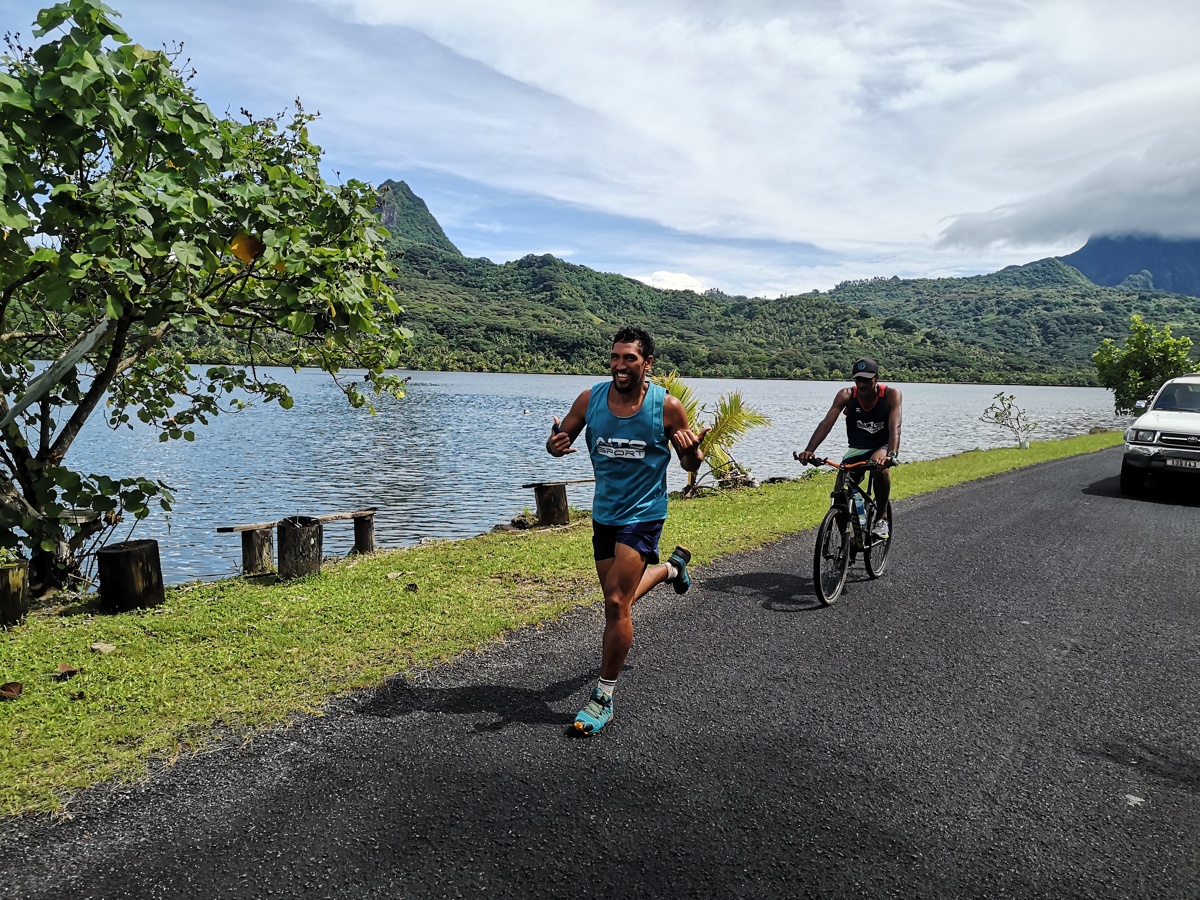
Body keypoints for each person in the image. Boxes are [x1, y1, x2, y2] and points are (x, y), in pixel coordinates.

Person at [546, 326, 710, 736]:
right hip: (605, 513)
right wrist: (555, 444)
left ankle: (603, 697)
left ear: (648, 364)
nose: (620, 365)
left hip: (644, 513)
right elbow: (560, 436)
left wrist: (691, 451)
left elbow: (689, 465)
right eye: (616, 357)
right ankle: (672, 569)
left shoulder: (666, 408)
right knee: (616, 600)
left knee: (617, 602)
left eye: (630, 359)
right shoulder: (590, 399)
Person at [794, 357, 903, 536]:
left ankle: (882, 517)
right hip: (857, 448)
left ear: (876, 378)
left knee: (878, 467)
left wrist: (891, 454)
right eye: (858, 379)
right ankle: (846, 537)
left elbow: (895, 426)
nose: (862, 384)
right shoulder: (846, 395)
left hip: (881, 446)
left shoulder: (891, 395)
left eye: (867, 379)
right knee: (840, 490)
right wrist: (809, 450)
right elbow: (826, 423)